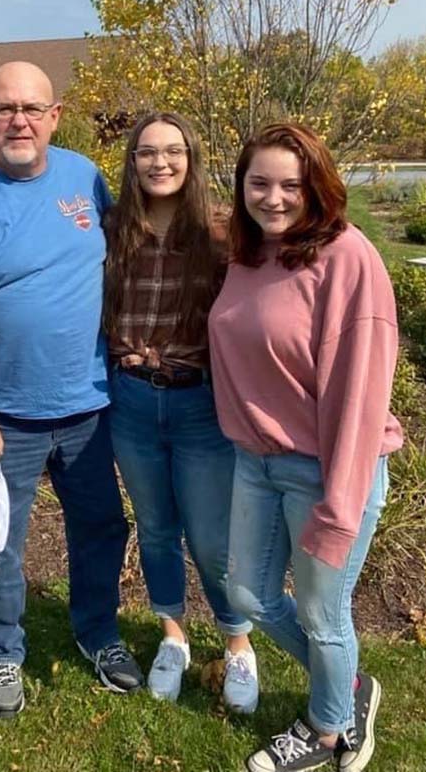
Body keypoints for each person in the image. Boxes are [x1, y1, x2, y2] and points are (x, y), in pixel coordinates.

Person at [0, 61, 143, 719]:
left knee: (101, 526)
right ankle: (2, 653)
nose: (19, 119)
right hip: (2, 417)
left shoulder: (83, 178)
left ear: (55, 115)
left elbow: (125, 253)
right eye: (5, 107)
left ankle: (98, 634)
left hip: (89, 407)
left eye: (32, 108)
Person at [208, 122, 403, 772]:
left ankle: (325, 732)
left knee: (323, 615)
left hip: (327, 469)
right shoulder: (248, 252)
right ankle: (347, 687)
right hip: (255, 464)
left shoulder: (347, 257)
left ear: (316, 185)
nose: (274, 197)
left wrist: (341, 505)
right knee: (248, 596)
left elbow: (360, 395)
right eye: (258, 182)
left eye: (291, 184)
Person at [103, 112, 258, 708]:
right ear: (132, 161)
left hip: (199, 403)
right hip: (132, 402)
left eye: (172, 151)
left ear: (190, 159)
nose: (159, 163)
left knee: (212, 539)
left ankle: (238, 644)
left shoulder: (221, 234)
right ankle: (173, 635)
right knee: (158, 529)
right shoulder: (113, 228)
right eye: (146, 152)